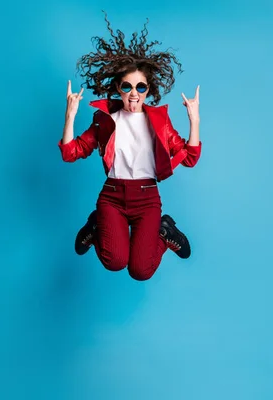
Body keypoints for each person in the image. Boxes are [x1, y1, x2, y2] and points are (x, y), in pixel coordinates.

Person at [58, 13, 201, 281]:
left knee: (140, 270)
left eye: (140, 87)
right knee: (115, 262)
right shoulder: (104, 120)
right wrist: (70, 117)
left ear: (149, 90)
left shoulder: (159, 122)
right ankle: (97, 225)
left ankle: (165, 230)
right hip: (112, 197)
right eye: (127, 86)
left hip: (147, 199)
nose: (134, 93)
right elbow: (71, 152)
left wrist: (195, 120)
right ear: (118, 88)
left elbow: (190, 157)